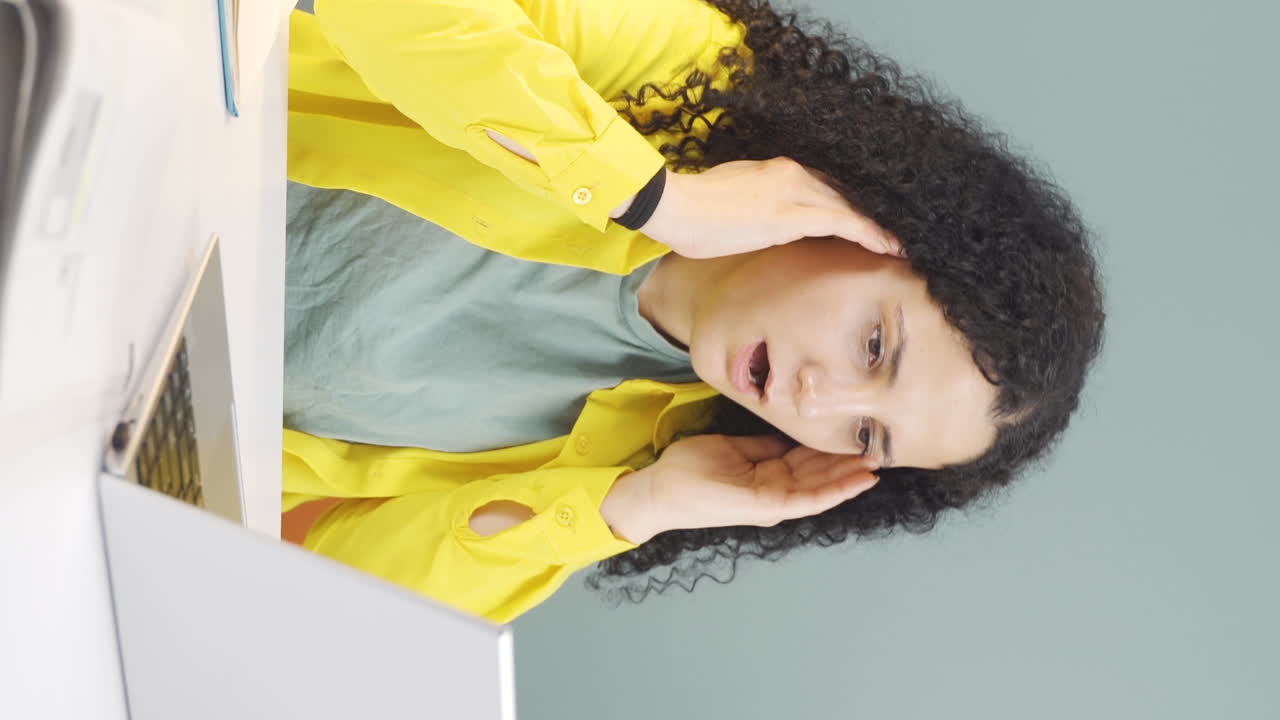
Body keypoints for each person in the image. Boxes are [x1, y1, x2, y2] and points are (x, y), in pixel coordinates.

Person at [281, 0, 1105, 622]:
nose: (815, 401)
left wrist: (632, 508)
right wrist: (655, 200)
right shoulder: (690, 78)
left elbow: (338, 599)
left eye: (864, 436)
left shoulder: (636, 453)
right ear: (877, 228)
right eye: (874, 346)